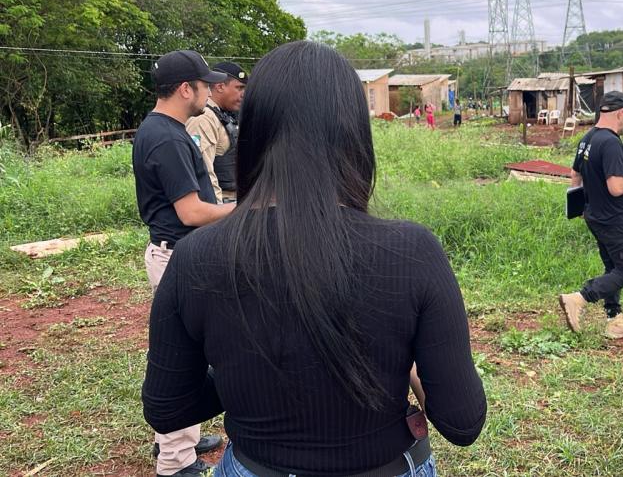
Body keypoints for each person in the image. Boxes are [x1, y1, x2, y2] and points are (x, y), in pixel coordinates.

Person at [142, 41, 487, 477]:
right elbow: (462, 421)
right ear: (355, 134)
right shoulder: (412, 251)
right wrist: (407, 368)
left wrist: (243, 377)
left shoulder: (196, 256)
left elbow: (167, 406)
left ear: (254, 132)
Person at [132, 50, 236, 476]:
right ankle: (175, 461)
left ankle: (180, 438)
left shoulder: (160, 128)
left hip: (176, 254)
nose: (210, 92)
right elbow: (191, 212)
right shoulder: (170, 139)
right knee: (182, 354)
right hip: (178, 257)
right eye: (204, 85)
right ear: (184, 89)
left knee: (186, 349)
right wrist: (245, 209)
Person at [559, 91, 623, 339]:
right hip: (615, 218)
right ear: (621, 112)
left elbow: (575, 174)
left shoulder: (588, 138)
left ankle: (614, 320)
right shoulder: (611, 143)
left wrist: (580, 206)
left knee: (613, 267)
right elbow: (616, 188)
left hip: (595, 216)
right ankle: (580, 298)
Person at [185, 62, 248, 203]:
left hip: (232, 200)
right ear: (220, 87)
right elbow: (203, 173)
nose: (243, 94)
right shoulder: (204, 118)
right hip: (219, 202)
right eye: (239, 88)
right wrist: (217, 210)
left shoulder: (224, 115)